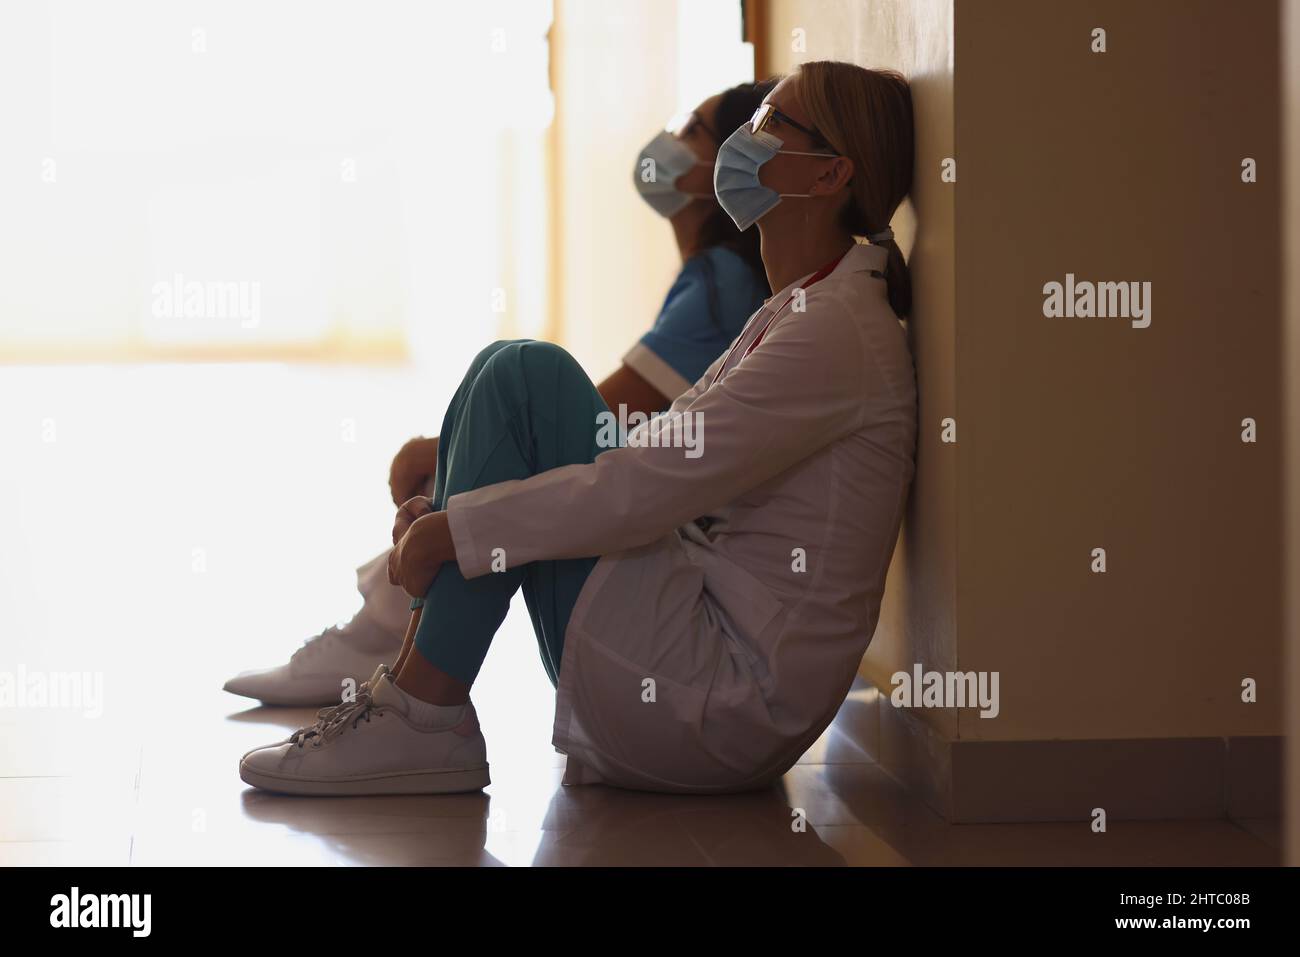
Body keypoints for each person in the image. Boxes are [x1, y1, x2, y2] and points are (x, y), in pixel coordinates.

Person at [238, 60, 917, 796]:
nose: (741, 143)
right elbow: (651, 459)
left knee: (529, 377)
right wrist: (453, 515)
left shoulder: (836, 330)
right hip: (693, 649)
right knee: (508, 367)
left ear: (828, 177)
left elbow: (648, 486)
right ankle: (415, 691)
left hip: (721, 696)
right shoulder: (799, 309)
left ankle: (423, 711)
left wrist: (457, 529)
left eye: (770, 124)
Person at [223, 81, 775, 706]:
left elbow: (606, 414)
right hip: (665, 531)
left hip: (669, 549)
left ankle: (385, 639)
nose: (668, 143)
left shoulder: (722, 282)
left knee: (511, 397)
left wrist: (451, 445)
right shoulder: (714, 279)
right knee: (498, 396)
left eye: (692, 131)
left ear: (729, 164)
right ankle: (386, 635)